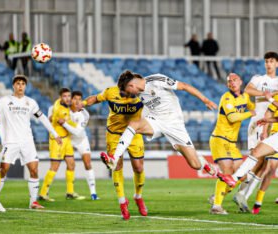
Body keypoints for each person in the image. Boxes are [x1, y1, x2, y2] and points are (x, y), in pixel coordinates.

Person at [101, 71, 219, 190]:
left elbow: (184, 86)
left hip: (174, 124)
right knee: (133, 124)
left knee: (195, 165)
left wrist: (206, 100)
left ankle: (203, 162)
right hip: (156, 121)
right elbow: (146, 111)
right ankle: (114, 159)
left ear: (131, 85)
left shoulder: (157, 80)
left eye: (127, 91)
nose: (128, 95)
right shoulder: (139, 95)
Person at [0, 75, 61, 210]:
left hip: (27, 142)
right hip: (10, 142)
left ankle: (33, 202)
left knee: (34, 170)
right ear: (13, 86)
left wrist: (54, 133)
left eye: (22, 84)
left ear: (25, 87)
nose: (20, 86)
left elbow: (43, 117)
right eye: (18, 83)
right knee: (2, 170)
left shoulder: (31, 102)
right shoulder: (5, 101)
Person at [81, 76, 147, 220]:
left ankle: (138, 196)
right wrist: (84, 103)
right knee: (116, 166)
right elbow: (96, 98)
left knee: (139, 168)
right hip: (114, 135)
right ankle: (122, 202)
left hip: (134, 133)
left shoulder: (141, 94)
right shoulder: (111, 92)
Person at [232, 51, 278, 212]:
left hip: (273, 125)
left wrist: (270, 96)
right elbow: (248, 90)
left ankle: (242, 195)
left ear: (277, 64)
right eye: (266, 61)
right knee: (256, 159)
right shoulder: (259, 79)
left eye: (272, 61)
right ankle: (230, 190)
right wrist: (268, 95)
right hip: (259, 122)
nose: (269, 64)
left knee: (264, 164)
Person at [208, 73, 255, 215]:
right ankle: (216, 207)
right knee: (227, 173)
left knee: (243, 174)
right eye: (229, 82)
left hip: (232, 143)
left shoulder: (244, 97)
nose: (232, 83)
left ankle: (217, 196)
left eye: (235, 80)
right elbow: (233, 117)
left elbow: (254, 107)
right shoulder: (226, 98)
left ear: (240, 82)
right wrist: (250, 113)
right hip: (220, 139)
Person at [47, 91, 99, 200]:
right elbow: (52, 110)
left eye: (80, 99)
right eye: (75, 99)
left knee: (87, 163)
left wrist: (64, 123)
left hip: (81, 139)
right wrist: (51, 116)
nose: (77, 101)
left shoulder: (84, 114)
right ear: (71, 100)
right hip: (68, 139)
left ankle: (93, 193)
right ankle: (53, 192)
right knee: (64, 165)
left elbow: (77, 132)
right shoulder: (65, 109)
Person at [39, 88, 85, 202]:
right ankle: (43, 193)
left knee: (71, 164)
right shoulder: (60, 110)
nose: (68, 98)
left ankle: (70, 192)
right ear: (60, 97)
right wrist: (76, 126)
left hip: (67, 139)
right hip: (57, 140)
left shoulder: (62, 105)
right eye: (65, 96)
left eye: (69, 96)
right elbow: (64, 122)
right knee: (55, 166)